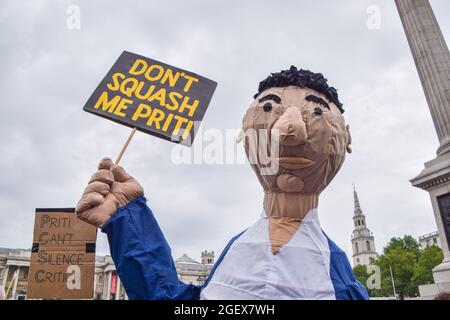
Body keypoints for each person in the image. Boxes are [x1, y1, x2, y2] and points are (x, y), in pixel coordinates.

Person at [76, 66, 369, 300]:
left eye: (316, 112)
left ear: (345, 140)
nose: (287, 131)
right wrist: (127, 218)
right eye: (269, 109)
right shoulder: (239, 248)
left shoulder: (335, 270)